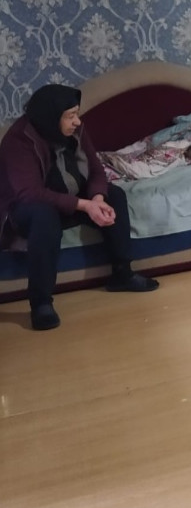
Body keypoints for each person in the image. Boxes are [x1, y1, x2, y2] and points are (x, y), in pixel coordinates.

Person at [0, 84, 159, 331]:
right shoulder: (19, 140)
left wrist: (97, 199)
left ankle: (122, 273)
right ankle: (41, 303)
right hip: (29, 209)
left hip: (72, 197)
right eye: (70, 115)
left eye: (77, 113)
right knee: (44, 216)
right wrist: (84, 205)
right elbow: (30, 193)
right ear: (51, 116)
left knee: (114, 195)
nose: (77, 121)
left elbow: (95, 169)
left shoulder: (76, 131)